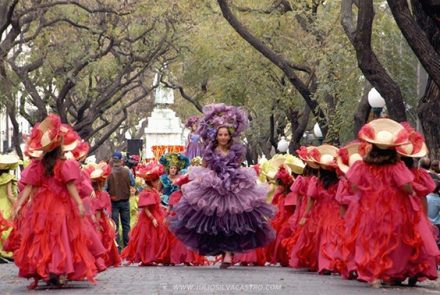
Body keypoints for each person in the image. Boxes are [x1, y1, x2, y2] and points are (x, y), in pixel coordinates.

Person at [169, 103, 275, 269]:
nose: (223, 137)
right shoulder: (209, 150)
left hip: (234, 186)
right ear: (216, 136)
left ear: (230, 136)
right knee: (216, 221)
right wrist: (200, 181)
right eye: (220, 134)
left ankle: (228, 253)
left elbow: (238, 165)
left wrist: (238, 179)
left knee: (234, 220)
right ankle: (223, 249)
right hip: (214, 186)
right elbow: (205, 166)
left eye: (226, 134)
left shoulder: (237, 150)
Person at [343, 118, 439, 287]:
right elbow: (407, 187)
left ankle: (375, 274)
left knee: (370, 240)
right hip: (394, 209)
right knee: (392, 242)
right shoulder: (396, 167)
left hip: (369, 209)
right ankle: (388, 272)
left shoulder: (363, 166)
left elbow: (354, 185)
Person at [13, 114, 100, 289]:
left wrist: (20, 204)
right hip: (61, 207)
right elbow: (70, 187)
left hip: (41, 208)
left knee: (44, 240)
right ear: (59, 146)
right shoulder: (64, 164)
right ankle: (59, 272)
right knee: (62, 239)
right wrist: (79, 204)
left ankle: (50, 270)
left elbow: (29, 187)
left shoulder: (39, 165)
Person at [121, 161, 170, 266]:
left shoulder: (153, 191)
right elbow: (146, 208)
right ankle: (147, 258)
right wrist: (152, 218)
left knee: (155, 239)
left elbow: (157, 205)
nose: (158, 184)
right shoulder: (146, 192)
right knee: (148, 239)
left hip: (157, 215)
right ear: (152, 182)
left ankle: (153, 257)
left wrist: (167, 208)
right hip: (149, 218)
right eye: (157, 182)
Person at [89, 162, 121, 268]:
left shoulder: (90, 195)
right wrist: (98, 223)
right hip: (99, 221)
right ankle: (102, 261)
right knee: (102, 239)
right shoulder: (103, 195)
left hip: (91, 220)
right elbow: (99, 210)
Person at [107, 151, 135, 250]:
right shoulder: (127, 171)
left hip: (113, 202)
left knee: (115, 226)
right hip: (125, 201)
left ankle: (117, 249)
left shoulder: (108, 172)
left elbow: (106, 189)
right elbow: (133, 182)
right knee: (126, 225)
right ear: (121, 160)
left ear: (112, 160)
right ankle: (128, 248)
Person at [0, 154, 19, 260]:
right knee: (8, 229)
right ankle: (6, 252)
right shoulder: (8, 178)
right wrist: (17, 205)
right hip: (6, 205)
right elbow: (10, 195)